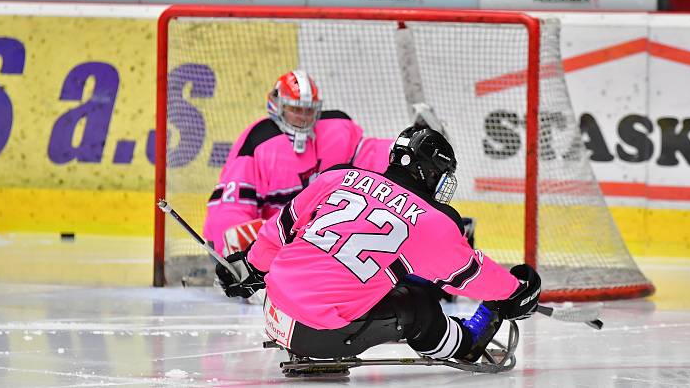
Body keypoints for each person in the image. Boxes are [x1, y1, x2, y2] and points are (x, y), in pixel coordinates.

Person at [214, 126, 541, 363]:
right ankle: (465, 344)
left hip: (273, 311)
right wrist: (515, 290)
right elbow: (469, 277)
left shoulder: (337, 176)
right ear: (430, 172)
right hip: (318, 334)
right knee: (419, 303)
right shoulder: (431, 220)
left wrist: (252, 269)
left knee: (382, 277)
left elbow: (279, 231)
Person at [203, 70, 393, 257]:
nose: (303, 117)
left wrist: (402, 149)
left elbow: (371, 155)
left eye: (308, 110)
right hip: (270, 242)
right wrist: (236, 257)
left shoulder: (337, 130)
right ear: (278, 105)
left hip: (313, 240)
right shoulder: (259, 142)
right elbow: (230, 206)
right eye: (295, 109)